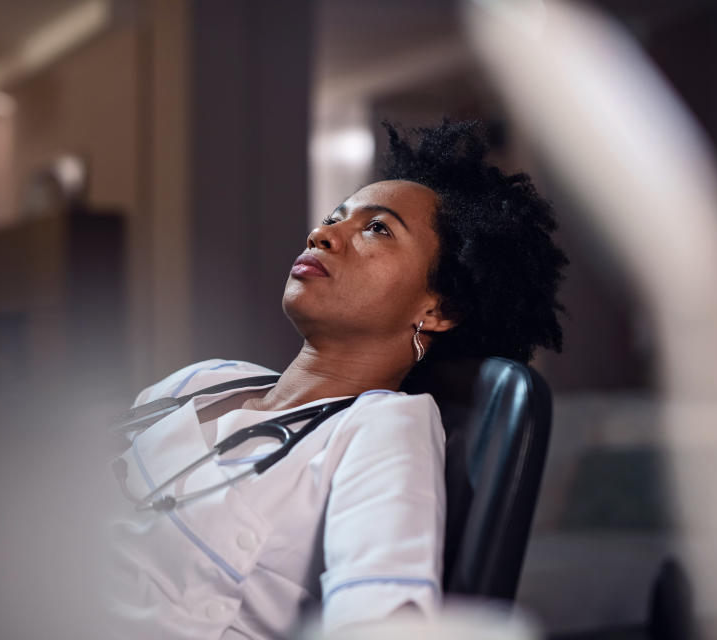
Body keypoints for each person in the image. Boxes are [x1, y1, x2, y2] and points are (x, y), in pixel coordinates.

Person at [108, 120, 568, 638]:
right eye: (334, 217)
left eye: (378, 228)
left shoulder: (383, 427)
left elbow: (377, 623)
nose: (321, 234)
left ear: (438, 308)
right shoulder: (205, 378)